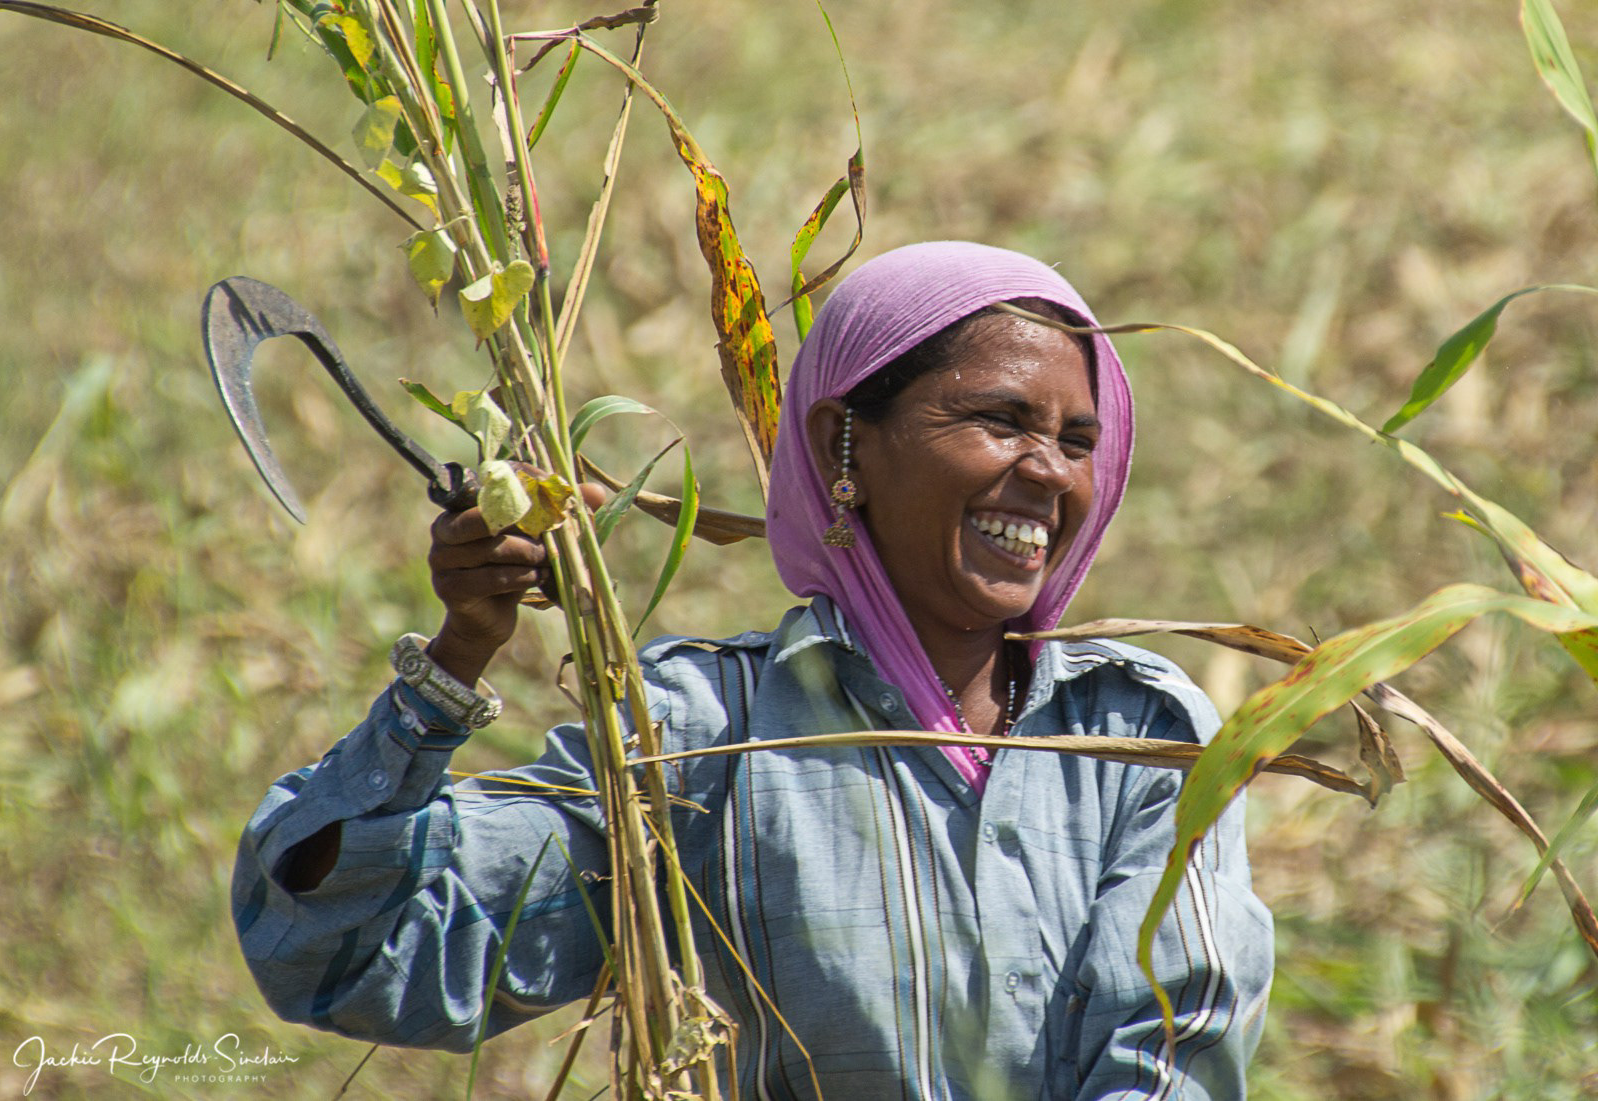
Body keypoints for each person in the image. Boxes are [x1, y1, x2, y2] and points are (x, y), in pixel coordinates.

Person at [233, 241, 1274, 1099]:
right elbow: (344, 952)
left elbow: (1177, 1055)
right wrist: (458, 655)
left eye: (1078, 439)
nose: (1049, 471)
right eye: (1001, 420)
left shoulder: (1139, 735)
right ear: (840, 448)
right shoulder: (700, 737)